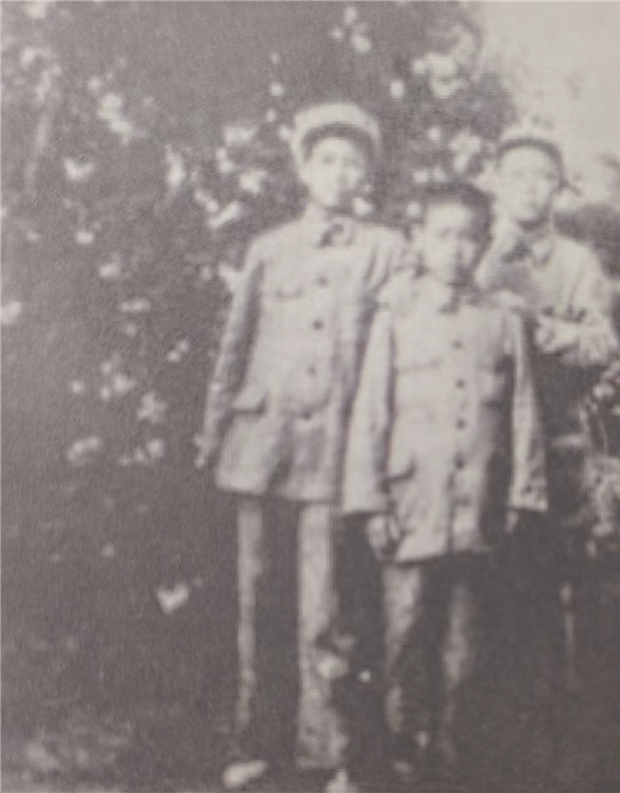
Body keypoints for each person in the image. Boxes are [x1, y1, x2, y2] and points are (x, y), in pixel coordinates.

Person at [196, 101, 406, 793]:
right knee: (258, 603)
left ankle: (328, 752)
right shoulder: (270, 247)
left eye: (353, 163)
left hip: (336, 454)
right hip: (261, 447)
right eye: (327, 161)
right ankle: (256, 740)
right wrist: (214, 430)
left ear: (367, 174)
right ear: (304, 170)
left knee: (327, 613)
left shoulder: (388, 250)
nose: (339, 173)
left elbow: (397, 356)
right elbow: (234, 347)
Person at [342, 182, 548, 785]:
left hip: (478, 511)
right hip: (411, 507)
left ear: (484, 244)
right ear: (419, 240)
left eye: (468, 238)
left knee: (465, 649)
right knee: (404, 635)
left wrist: (523, 493)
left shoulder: (502, 320)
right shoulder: (397, 317)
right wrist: (371, 504)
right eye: (442, 236)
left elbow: (523, 412)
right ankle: (402, 751)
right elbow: (371, 413)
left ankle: (452, 755)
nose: (455, 250)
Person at [475, 130, 619, 691]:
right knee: (483, 578)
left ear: (558, 188)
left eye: (543, 178)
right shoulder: (471, 250)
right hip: (483, 442)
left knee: (556, 575)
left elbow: (602, 345)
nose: (530, 189)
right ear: (496, 182)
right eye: (517, 176)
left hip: (555, 440)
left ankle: (560, 705)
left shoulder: (577, 262)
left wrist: (542, 328)